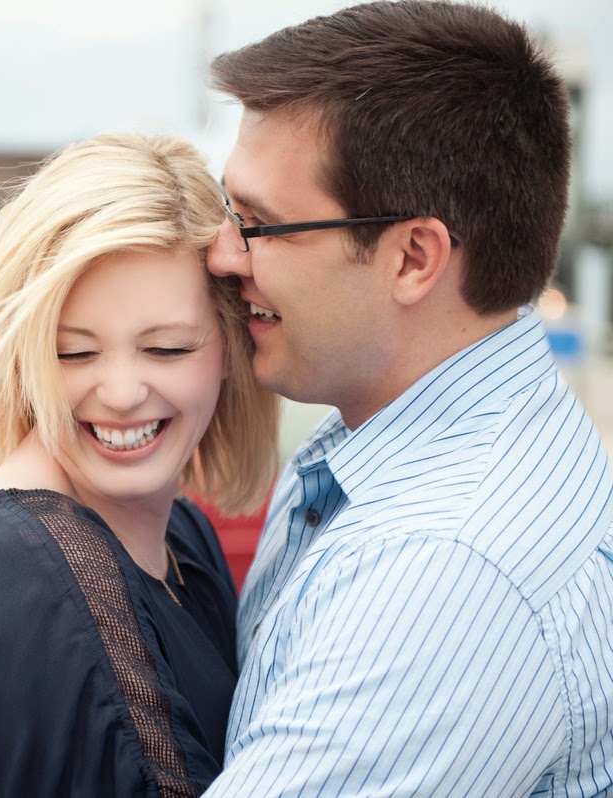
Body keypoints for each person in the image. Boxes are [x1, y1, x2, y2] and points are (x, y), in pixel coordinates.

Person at [200, 2, 613, 796]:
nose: (223, 255)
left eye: (259, 225)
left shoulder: (444, 568)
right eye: (228, 210)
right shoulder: (383, 443)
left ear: (414, 257)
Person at [0, 132, 278, 797]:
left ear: (230, 349)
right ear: (23, 358)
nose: (121, 392)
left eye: (166, 349)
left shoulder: (184, 540)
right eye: (73, 352)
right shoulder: (16, 591)